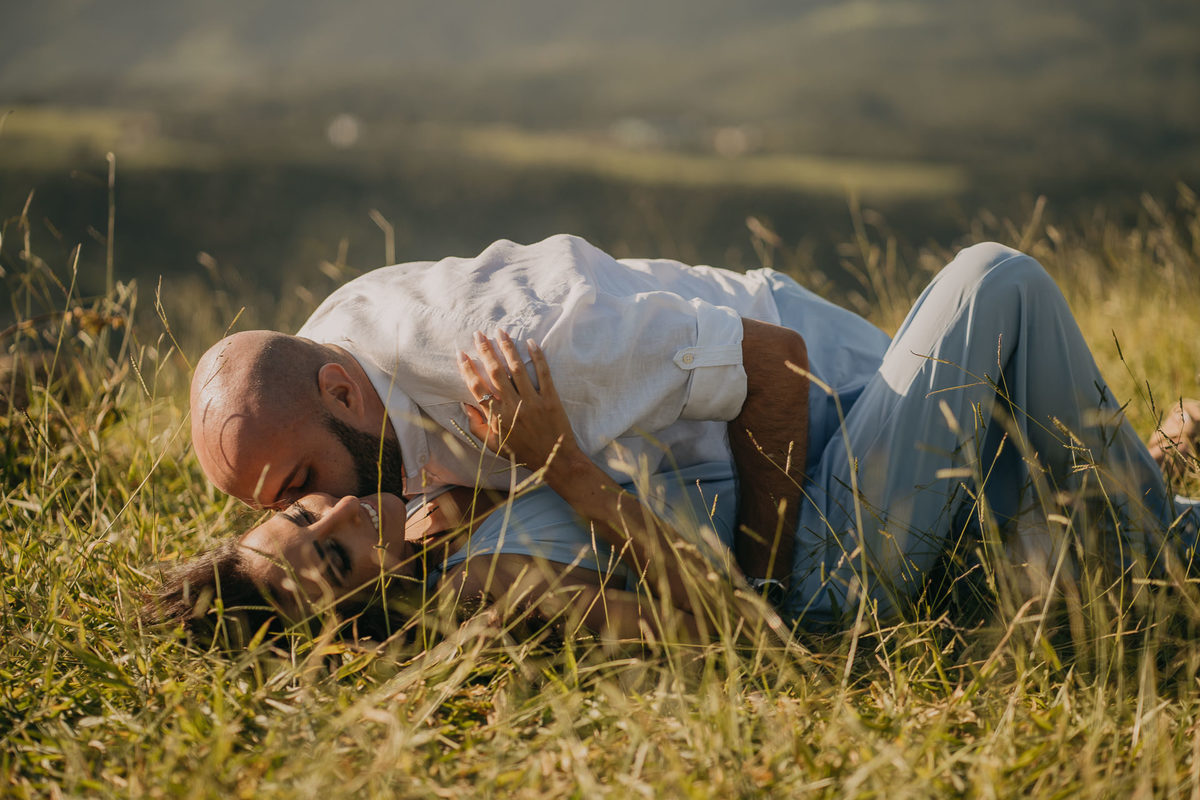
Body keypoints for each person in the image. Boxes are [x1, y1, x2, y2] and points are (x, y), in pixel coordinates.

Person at [159, 241, 1200, 640]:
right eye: (317, 535)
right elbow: (728, 626)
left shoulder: (517, 351)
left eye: (302, 493)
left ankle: (1147, 508)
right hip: (832, 552)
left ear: (344, 385)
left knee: (1060, 533)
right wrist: (562, 462)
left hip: (832, 439)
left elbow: (775, 363)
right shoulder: (464, 578)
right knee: (994, 279)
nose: (333, 507)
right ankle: (1155, 531)